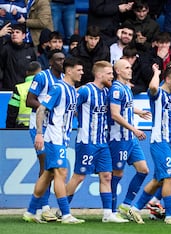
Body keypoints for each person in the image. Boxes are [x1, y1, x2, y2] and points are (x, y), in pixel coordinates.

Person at [126, 62, 171, 225]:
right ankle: (170, 215)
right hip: (160, 142)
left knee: (158, 179)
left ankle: (135, 208)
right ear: (167, 79)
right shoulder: (158, 94)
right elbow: (152, 87)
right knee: (170, 177)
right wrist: (156, 73)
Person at [23, 57, 85, 224]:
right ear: (69, 70)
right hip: (53, 137)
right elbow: (42, 108)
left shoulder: (72, 90)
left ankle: (30, 211)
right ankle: (65, 214)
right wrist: (39, 133)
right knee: (61, 173)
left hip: (62, 138)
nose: (82, 72)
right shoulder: (58, 88)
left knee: (48, 174)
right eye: (79, 70)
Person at [65, 60, 128, 223]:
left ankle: (108, 214)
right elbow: (70, 106)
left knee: (107, 175)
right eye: (109, 74)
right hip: (86, 141)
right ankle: (62, 210)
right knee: (79, 177)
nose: (112, 77)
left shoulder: (107, 92)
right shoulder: (86, 90)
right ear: (99, 74)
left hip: (102, 142)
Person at [107, 59, 151, 219]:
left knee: (144, 170)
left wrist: (138, 111)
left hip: (130, 138)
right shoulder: (116, 89)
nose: (130, 70)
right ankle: (111, 211)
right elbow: (115, 114)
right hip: (119, 138)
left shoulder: (126, 88)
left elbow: (126, 105)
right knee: (116, 174)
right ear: (118, 71)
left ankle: (125, 205)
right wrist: (134, 128)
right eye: (126, 68)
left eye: (130, 67)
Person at [25, 49, 65, 222]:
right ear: (51, 62)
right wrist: (46, 106)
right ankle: (43, 207)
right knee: (45, 164)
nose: (62, 62)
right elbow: (29, 100)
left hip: (54, 129)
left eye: (64, 59)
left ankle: (38, 208)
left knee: (49, 167)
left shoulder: (64, 80)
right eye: (58, 59)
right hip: (38, 125)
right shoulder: (42, 77)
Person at [0, 23, 37, 91]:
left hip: (25, 89)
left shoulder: (30, 50)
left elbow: (34, 71)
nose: (14, 34)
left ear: (23, 36)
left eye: (17, 32)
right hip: (8, 89)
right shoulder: (5, 49)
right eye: (12, 32)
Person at [6, 61, 41, 128]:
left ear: (27, 73)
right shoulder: (47, 88)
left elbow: (12, 113)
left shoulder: (19, 88)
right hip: (40, 128)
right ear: (40, 72)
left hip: (22, 130)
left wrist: (9, 130)